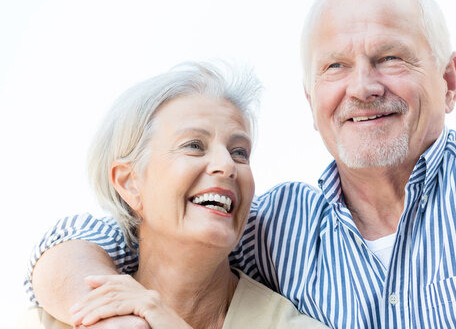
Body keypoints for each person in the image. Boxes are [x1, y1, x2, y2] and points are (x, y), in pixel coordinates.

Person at [26, 0, 456, 328]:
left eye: (389, 57)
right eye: (335, 67)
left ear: (448, 82)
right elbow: (117, 237)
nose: (362, 87)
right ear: (311, 102)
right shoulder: (277, 228)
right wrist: (108, 315)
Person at [20, 62, 326, 328]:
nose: (226, 165)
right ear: (129, 184)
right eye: (193, 145)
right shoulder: (52, 321)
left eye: (239, 152)